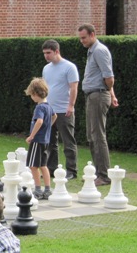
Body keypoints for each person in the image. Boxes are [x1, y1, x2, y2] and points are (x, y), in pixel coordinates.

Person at [78, 23, 119, 186]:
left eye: (84, 37)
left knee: (98, 135)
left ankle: (104, 175)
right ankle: (98, 173)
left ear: (93, 35)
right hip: (93, 95)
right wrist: (112, 94)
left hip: (98, 95)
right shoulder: (91, 51)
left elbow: (109, 77)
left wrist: (109, 92)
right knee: (91, 135)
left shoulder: (100, 51)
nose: (82, 41)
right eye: (80, 38)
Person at [42, 39, 79, 180]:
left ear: (57, 51)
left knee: (68, 141)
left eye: (49, 53)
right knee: (50, 142)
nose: (46, 56)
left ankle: (72, 170)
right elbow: (45, 88)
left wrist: (71, 105)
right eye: (44, 53)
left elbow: (74, 87)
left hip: (64, 110)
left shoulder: (69, 67)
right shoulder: (46, 68)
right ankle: (51, 169)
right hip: (49, 111)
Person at [24, 78, 56, 200]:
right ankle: (47, 189)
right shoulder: (49, 106)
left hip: (37, 140)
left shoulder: (40, 107)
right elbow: (55, 116)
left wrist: (32, 135)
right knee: (43, 165)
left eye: (31, 95)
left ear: (36, 94)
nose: (32, 98)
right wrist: (48, 128)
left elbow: (40, 121)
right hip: (45, 140)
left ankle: (37, 189)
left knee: (33, 166)